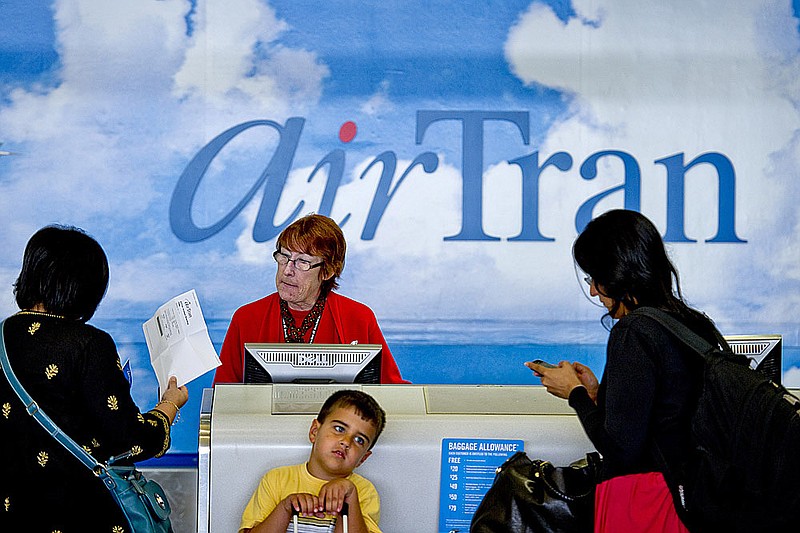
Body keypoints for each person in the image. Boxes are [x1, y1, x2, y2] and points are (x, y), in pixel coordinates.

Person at [525, 209, 721, 533]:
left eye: (594, 279)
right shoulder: (694, 325)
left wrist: (574, 394)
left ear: (616, 274)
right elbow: (668, 414)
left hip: (649, 503)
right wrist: (599, 394)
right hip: (695, 500)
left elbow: (620, 447)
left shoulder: (633, 331)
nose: (592, 292)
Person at [0, 225, 189, 533]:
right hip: (81, 515)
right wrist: (169, 405)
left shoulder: (2, 337)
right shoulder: (88, 343)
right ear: (85, 288)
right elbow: (133, 441)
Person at [213, 214, 407, 384]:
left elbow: (391, 390)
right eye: (284, 257)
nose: (287, 270)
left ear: (328, 271)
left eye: (302, 262)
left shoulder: (358, 317)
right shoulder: (247, 318)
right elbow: (222, 397)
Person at [239, 389, 386, 533]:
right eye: (339, 429)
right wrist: (285, 508)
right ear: (314, 432)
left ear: (363, 458)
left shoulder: (364, 491)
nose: (346, 442)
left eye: (359, 440)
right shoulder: (275, 479)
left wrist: (349, 498)